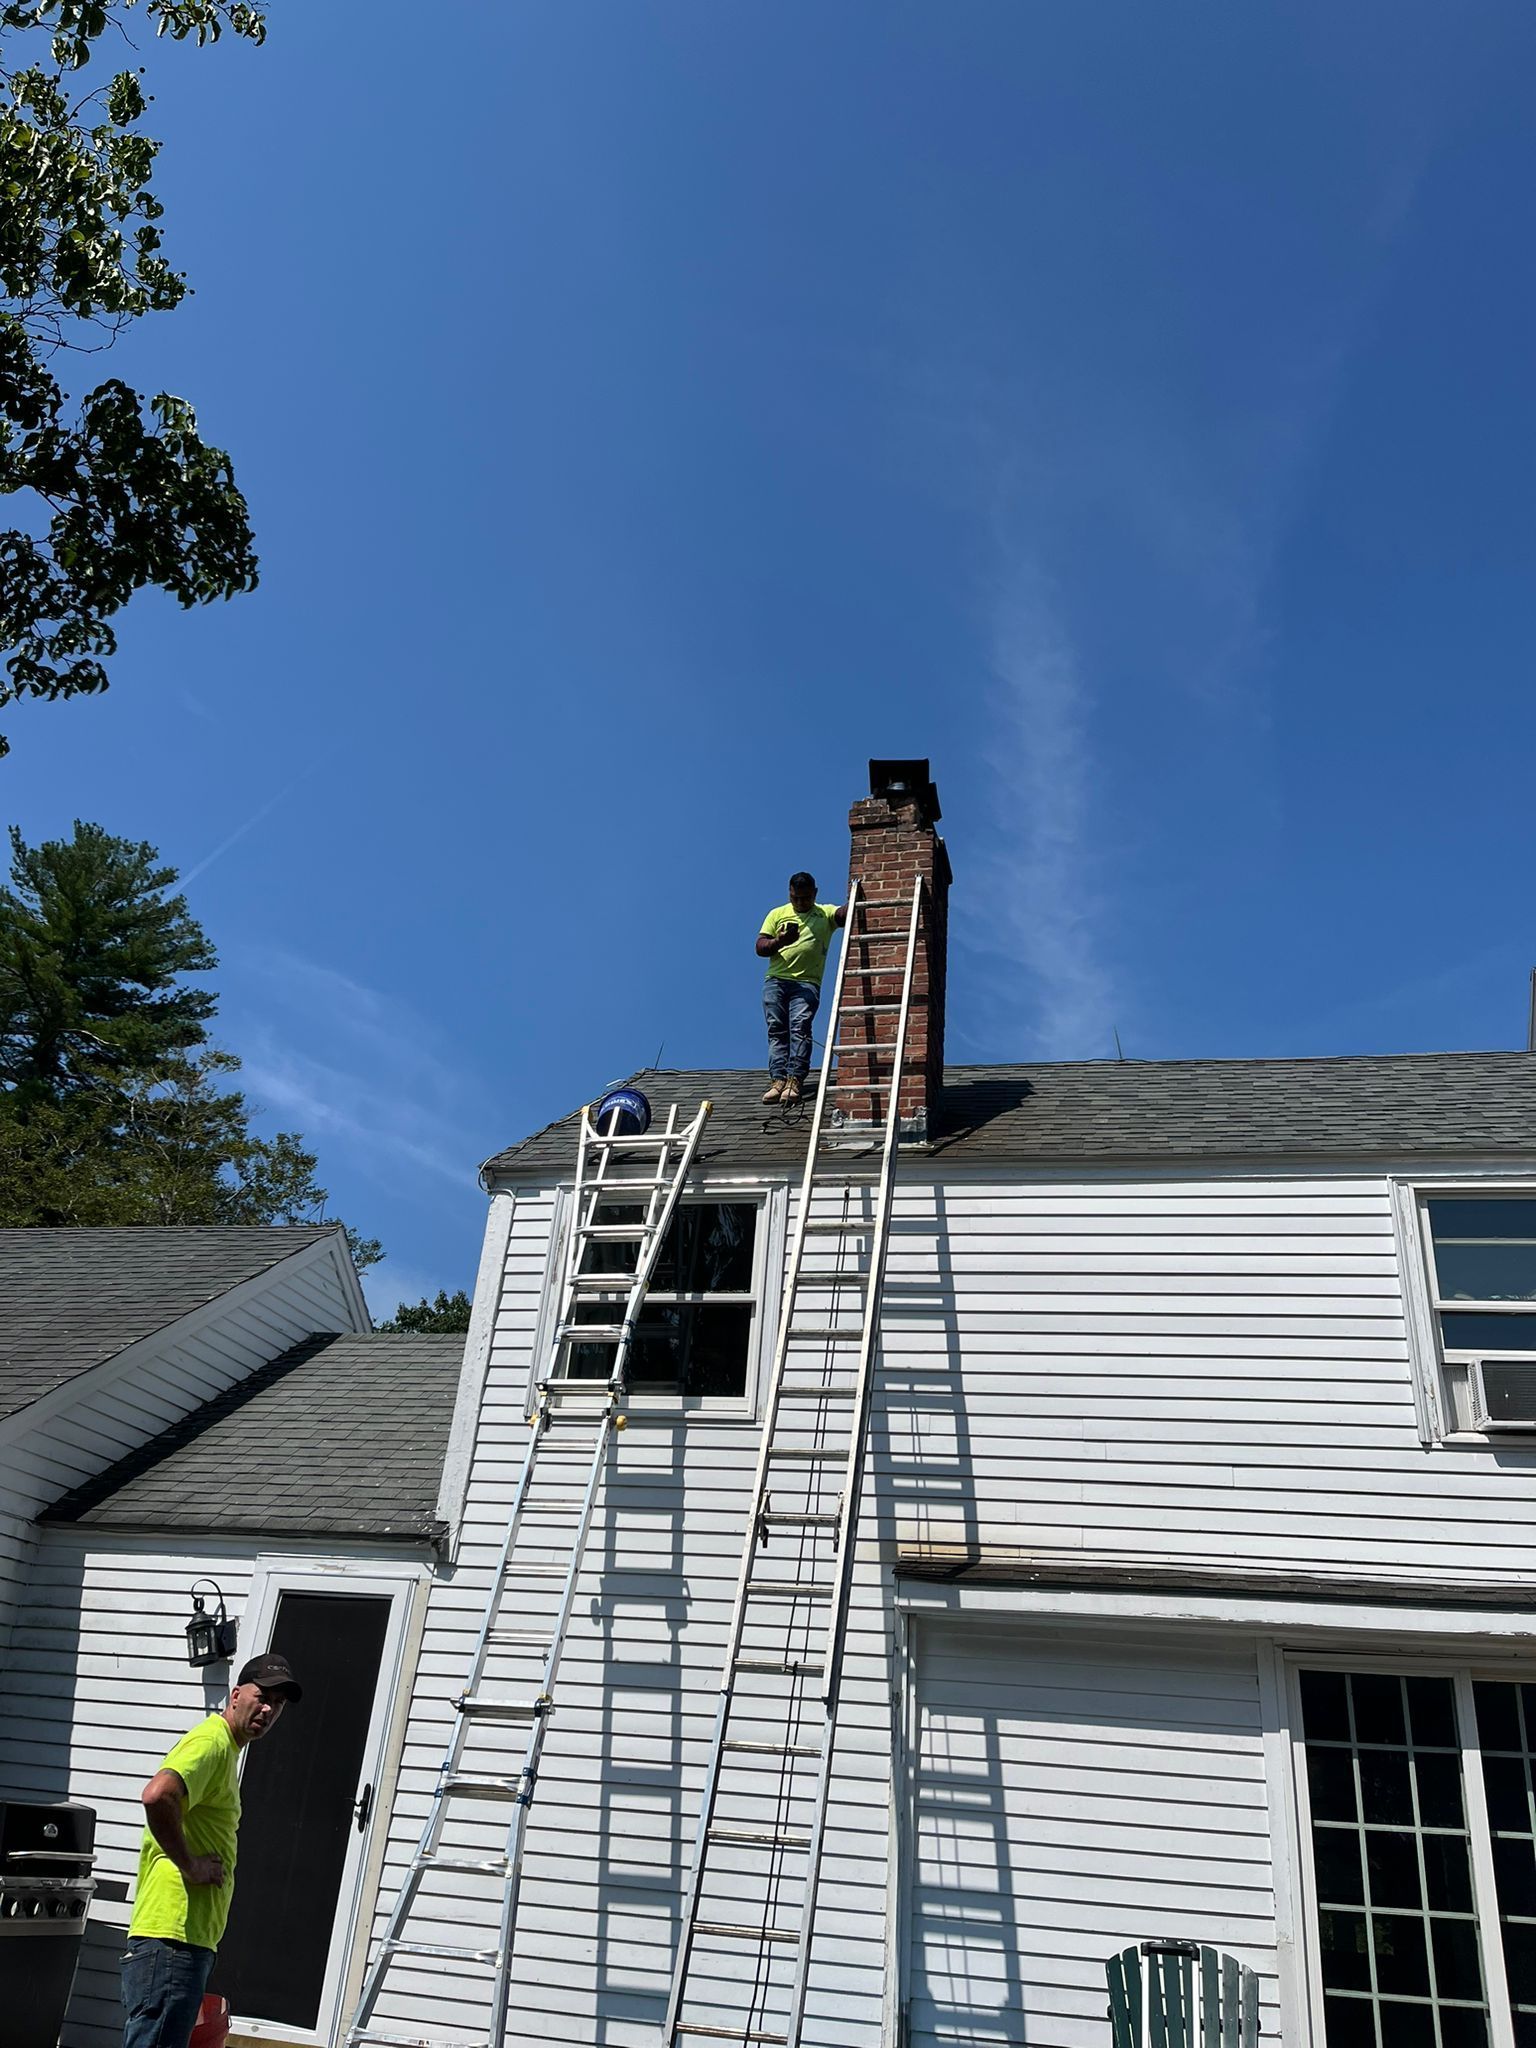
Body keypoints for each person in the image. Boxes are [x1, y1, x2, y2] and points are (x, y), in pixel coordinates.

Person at [122, 1652, 302, 2048]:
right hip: (172, 1938)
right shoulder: (212, 1743)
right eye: (263, 1695)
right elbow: (157, 1796)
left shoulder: (226, 1750)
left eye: (280, 1703)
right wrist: (190, 1866)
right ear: (236, 1694)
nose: (269, 1709)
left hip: (186, 1940)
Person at [757, 871, 847, 1105]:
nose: (800, 903)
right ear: (789, 893)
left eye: (805, 898)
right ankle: (778, 1080)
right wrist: (780, 942)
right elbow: (760, 946)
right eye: (795, 898)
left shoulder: (823, 913)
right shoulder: (777, 914)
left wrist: (860, 891)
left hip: (807, 983)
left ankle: (794, 1079)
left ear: (815, 894)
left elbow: (843, 915)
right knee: (777, 1030)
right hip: (776, 980)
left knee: (800, 1027)